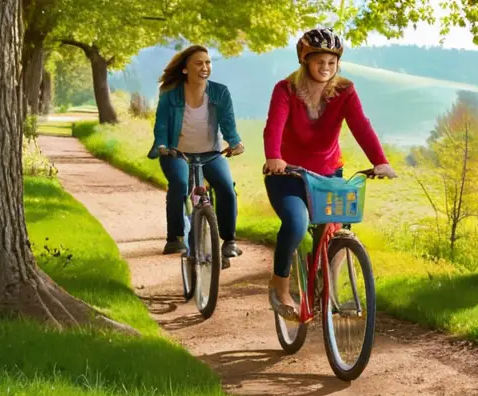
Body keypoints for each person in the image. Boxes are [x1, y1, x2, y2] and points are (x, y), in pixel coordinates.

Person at [262, 28, 397, 320]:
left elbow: (361, 125)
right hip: (288, 175)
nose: (326, 68)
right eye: (320, 61)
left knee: (336, 225)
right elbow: (274, 124)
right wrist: (274, 157)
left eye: (331, 62)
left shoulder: (344, 91)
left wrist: (380, 161)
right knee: (297, 224)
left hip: (327, 174)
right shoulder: (285, 89)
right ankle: (280, 286)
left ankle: (326, 281)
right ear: (305, 60)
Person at [148, 45, 245, 258]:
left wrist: (235, 142)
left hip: (210, 153)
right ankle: (175, 238)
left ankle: (229, 240)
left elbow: (228, 123)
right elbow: (161, 125)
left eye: (208, 62)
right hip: (177, 153)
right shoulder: (170, 95)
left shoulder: (220, 92)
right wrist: (162, 145)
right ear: (185, 69)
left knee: (227, 188)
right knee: (180, 185)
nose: (205, 67)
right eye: (199, 63)